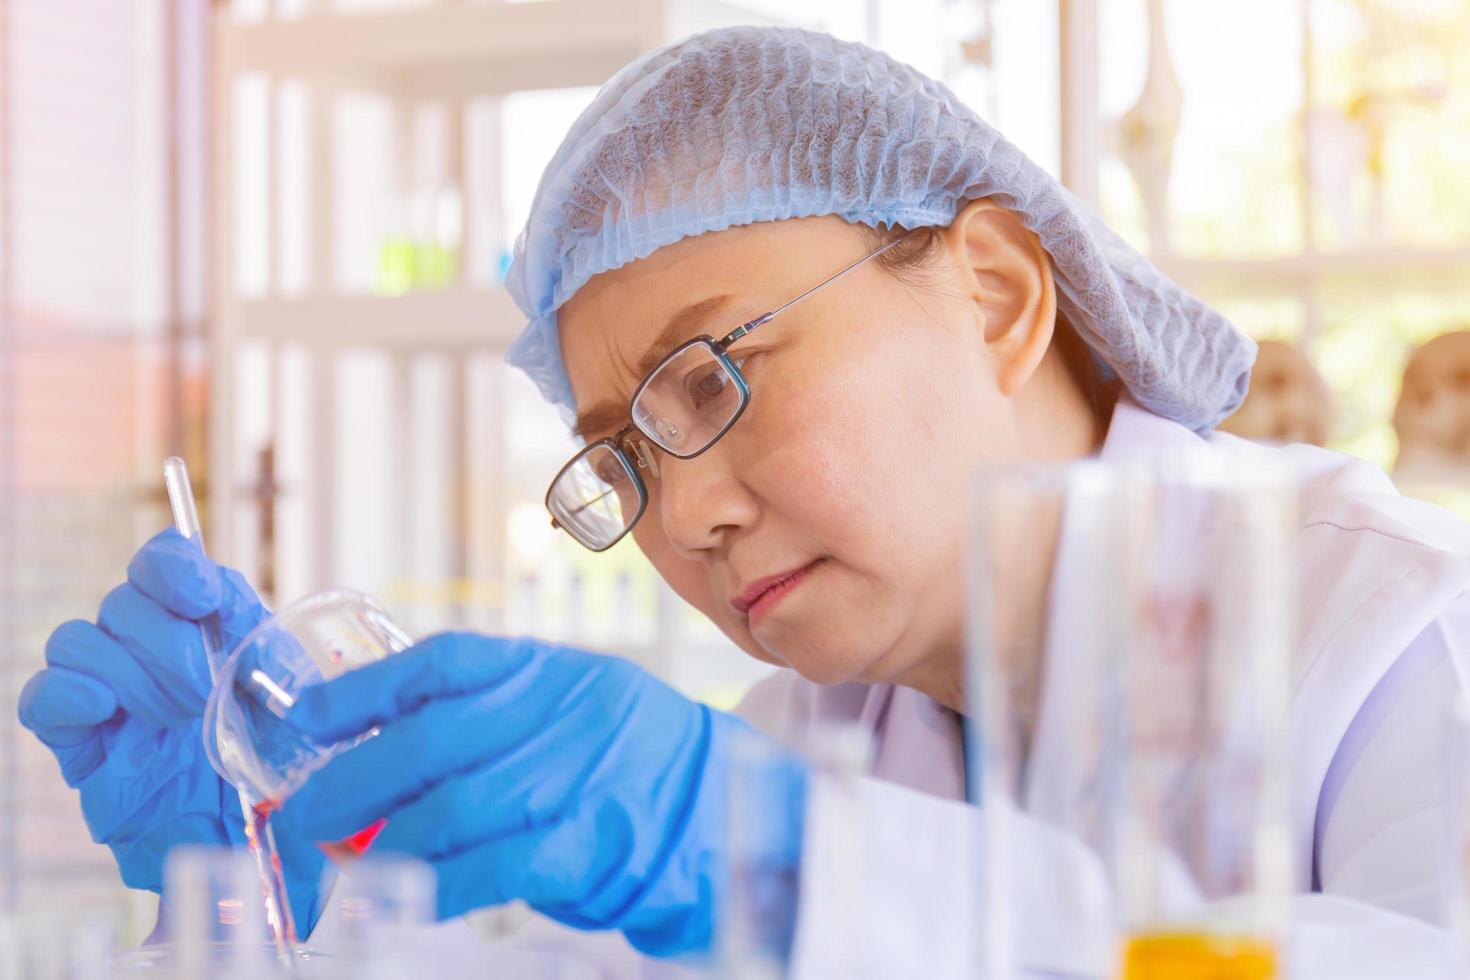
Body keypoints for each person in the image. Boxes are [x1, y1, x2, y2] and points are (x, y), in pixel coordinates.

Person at [17, 26, 1470, 978]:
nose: (682, 518)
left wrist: (775, 857)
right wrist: (257, 896)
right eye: (626, 461)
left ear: (995, 291)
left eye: (710, 378)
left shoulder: (1402, 633)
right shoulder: (818, 744)